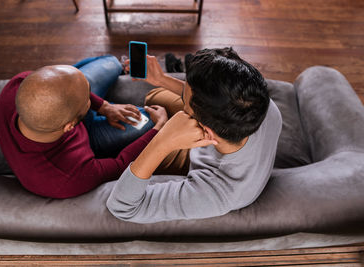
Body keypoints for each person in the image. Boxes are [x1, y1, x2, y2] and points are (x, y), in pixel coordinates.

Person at [106, 47, 282, 223]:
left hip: (203, 162)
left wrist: (162, 140)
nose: (183, 102)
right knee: (155, 95)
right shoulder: (261, 103)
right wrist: (162, 79)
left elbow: (122, 207)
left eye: (186, 109)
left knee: (136, 147)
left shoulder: (215, 193)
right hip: (219, 143)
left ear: (204, 131)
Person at [0, 55, 168, 199]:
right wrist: (158, 131)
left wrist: (105, 106)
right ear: (70, 126)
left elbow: (59, 86)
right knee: (150, 120)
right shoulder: (68, 176)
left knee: (112, 63)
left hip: (69, 112)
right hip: (89, 139)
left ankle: (80, 85)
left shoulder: (18, 85)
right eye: (87, 98)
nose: (90, 96)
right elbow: (120, 164)